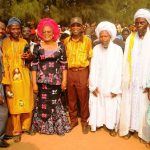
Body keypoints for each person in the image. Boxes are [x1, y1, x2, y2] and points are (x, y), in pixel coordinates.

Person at [31, 18, 70, 135]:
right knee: (42, 102)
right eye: (44, 32)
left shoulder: (60, 46)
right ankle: (43, 127)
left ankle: (58, 126)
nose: (47, 34)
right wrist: (34, 83)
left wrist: (64, 81)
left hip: (56, 81)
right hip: (42, 82)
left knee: (56, 102)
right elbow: (34, 66)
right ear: (41, 33)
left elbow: (64, 65)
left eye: (49, 32)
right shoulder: (37, 47)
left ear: (54, 32)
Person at [119, 8, 150, 144]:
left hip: (145, 80)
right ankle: (130, 128)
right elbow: (126, 59)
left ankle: (143, 133)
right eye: (137, 23)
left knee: (143, 105)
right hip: (132, 79)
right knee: (130, 104)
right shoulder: (131, 38)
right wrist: (126, 78)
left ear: (148, 23)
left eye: (142, 23)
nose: (138, 26)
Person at [2, 17, 34, 142]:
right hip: (11, 78)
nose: (15, 31)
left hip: (24, 76)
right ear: (9, 29)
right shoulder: (4, 43)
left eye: (17, 28)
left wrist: (29, 56)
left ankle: (26, 126)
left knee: (27, 100)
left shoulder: (24, 42)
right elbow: (4, 63)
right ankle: (16, 130)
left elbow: (29, 60)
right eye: (13, 28)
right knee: (14, 105)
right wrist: (7, 82)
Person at [88, 21, 123, 135]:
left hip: (112, 84)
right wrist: (93, 86)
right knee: (97, 102)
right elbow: (93, 68)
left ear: (110, 36)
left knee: (111, 104)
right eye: (101, 36)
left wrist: (116, 88)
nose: (103, 38)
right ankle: (97, 123)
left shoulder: (117, 50)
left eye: (105, 36)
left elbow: (120, 70)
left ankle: (111, 126)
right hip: (99, 83)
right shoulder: (96, 49)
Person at [64, 17, 92, 134]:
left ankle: (85, 121)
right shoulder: (66, 41)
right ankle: (73, 120)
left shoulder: (87, 41)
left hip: (82, 71)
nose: (75, 27)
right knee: (71, 98)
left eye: (78, 25)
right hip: (70, 72)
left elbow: (90, 58)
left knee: (83, 98)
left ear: (82, 27)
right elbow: (64, 59)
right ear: (70, 27)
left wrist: (90, 76)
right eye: (73, 25)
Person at [0, 21, 9, 148]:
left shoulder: (3, 41)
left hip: (2, 80)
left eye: (2, 28)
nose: (1, 31)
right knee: (2, 110)